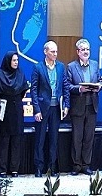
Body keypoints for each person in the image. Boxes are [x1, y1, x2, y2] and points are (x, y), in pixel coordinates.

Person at [31, 40, 70, 177]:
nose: (55, 54)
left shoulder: (61, 67)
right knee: (40, 139)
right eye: (52, 51)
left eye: (56, 51)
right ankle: (38, 167)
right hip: (42, 108)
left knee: (54, 139)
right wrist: (36, 110)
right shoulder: (38, 67)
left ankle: (52, 167)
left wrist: (66, 105)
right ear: (45, 52)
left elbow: (65, 87)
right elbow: (33, 90)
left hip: (56, 108)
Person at [67, 39, 102, 176]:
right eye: (83, 49)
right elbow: (68, 86)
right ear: (78, 52)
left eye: (87, 49)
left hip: (92, 106)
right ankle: (76, 165)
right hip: (78, 107)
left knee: (89, 137)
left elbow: (99, 80)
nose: (86, 52)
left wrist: (99, 87)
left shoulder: (94, 64)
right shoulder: (71, 66)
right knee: (77, 138)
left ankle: (86, 165)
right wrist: (79, 89)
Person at [0, 51, 29, 178]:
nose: (16, 62)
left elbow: (23, 91)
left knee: (16, 140)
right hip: (4, 109)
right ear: (8, 61)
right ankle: (2, 169)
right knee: (4, 140)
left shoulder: (20, 74)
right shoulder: (0, 75)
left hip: (17, 109)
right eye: (13, 60)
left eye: (17, 60)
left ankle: (14, 169)